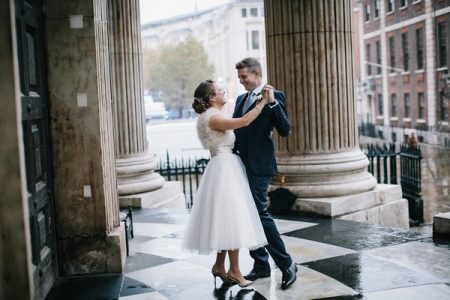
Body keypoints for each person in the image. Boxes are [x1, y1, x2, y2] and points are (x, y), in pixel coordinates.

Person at [182, 80, 270, 288]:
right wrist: (263, 102)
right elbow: (245, 121)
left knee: (226, 220)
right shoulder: (213, 118)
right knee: (233, 218)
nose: (224, 91)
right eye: (220, 90)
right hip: (225, 169)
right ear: (212, 98)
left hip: (225, 166)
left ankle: (220, 266)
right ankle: (235, 271)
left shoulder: (212, 115)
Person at [232, 57, 297, 290]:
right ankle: (260, 265)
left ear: (257, 74)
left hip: (260, 166)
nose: (241, 82)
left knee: (259, 213)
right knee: (248, 215)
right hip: (240, 165)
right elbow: (237, 130)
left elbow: (285, 130)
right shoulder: (241, 99)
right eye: (239, 78)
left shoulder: (275, 96)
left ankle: (287, 264)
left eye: (244, 77)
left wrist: (271, 103)